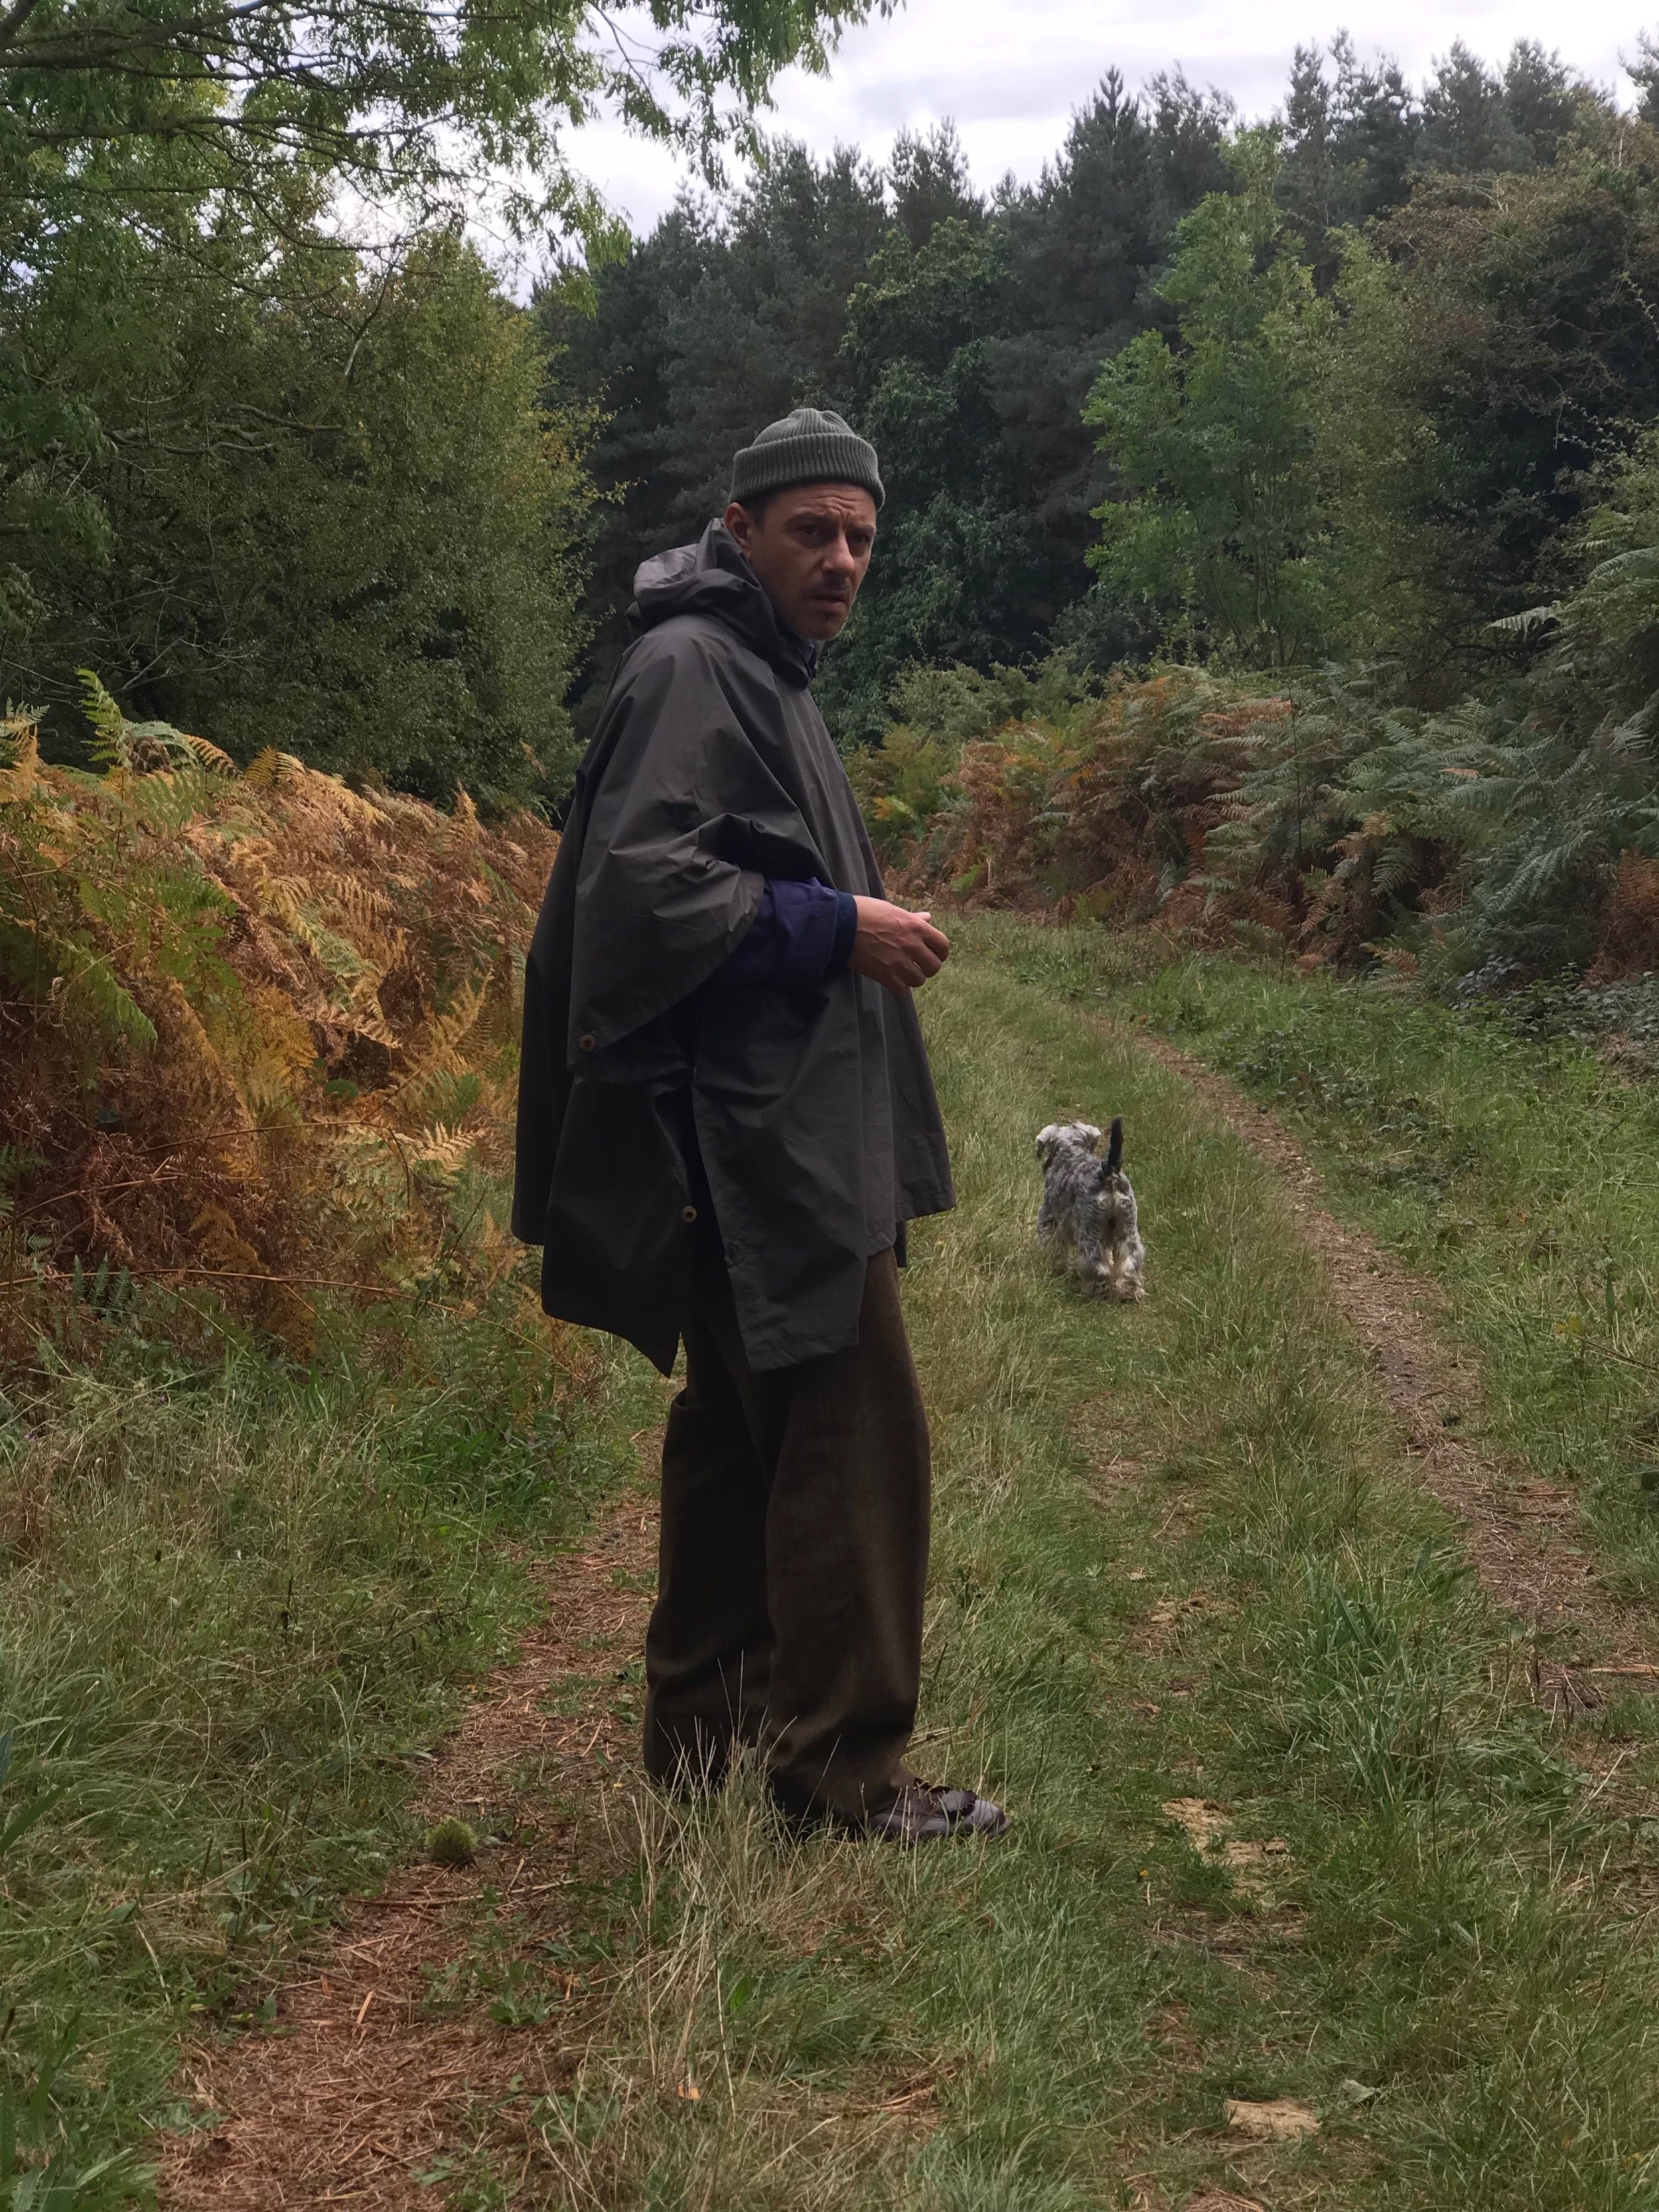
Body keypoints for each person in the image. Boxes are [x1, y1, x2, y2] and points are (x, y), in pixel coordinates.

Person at [512, 407, 1008, 1843]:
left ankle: (701, 1747)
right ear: (739, 530)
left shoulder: (758, 670)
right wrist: (831, 923)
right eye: (811, 529)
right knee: (855, 1436)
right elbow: (637, 902)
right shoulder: (695, 668)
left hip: (770, 1131)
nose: (842, 557)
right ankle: (845, 1775)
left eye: (859, 534)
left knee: (737, 1441)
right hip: (748, 1145)